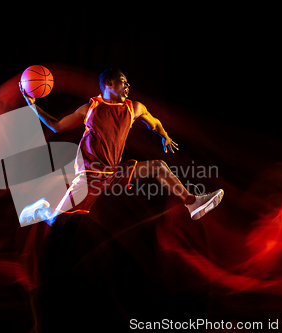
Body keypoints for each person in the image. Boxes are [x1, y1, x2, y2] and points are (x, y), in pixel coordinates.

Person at [19, 68, 223, 226]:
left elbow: (155, 122)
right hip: (90, 175)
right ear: (109, 83)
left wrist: (165, 136)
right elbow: (55, 126)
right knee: (58, 221)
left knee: (159, 166)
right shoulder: (91, 108)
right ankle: (40, 211)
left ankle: (192, 202)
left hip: (114, 171)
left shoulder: (133, 108)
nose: (128, 85)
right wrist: (32, 105)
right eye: (123, 81)